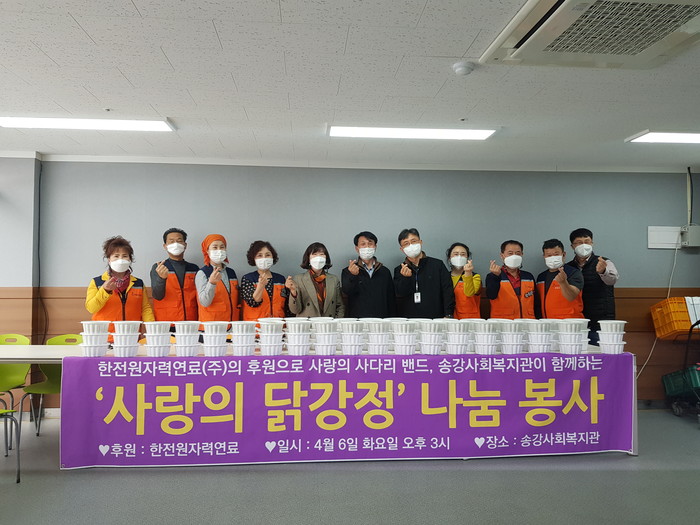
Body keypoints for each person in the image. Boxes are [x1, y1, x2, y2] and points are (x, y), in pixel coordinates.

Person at [85, 235, 154, 327]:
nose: (120, 260)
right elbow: (91, 308)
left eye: (124, 256)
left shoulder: (138, 283)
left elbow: (145, 308)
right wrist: (105, 290)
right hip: (105, 334)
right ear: (109, 259)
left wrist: (152, 327)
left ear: (130, 259)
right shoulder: (97, 282)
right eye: (116, 256)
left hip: (132, 333)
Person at [566, 227, 619, 344]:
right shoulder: (568, 267)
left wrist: (603, 271)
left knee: (600, 351)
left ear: (592, 243)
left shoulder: (604, 262)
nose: (583, 245)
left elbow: (612, 280)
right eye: (579, 242)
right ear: (572, 246)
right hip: (577, 320)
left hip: (601, 320)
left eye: (587, 241)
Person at [393, 228, 454, 318]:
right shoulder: (399, 269)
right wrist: (406, 278)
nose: (411, 245)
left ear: (420, 242)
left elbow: (447, 291)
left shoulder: (437, 265)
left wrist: (448, 314)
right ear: (402, 249)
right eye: (406, 243)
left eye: (414, 241)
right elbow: (400, 294)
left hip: (435, 317)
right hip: (409, 319)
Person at [341, 231, 396, 318]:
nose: (367, 247)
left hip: (381, 320)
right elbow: (347, 291)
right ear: (357, 248)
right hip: (358, 320)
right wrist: (353, 275)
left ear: (375, 247)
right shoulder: (347, 271)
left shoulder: (385, 271)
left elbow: (391, 300)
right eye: (363, 244)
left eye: (370, 244)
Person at [149, 228, 199, 323]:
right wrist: (161, 279)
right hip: (167, 322)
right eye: (171, 241)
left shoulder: (194, 268)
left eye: (179, 241)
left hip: (191, 321)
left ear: (185, 245)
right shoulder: (159, 267)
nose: (175, 244)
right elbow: (157, 295)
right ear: (165, 246)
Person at [287, 242, 344, 318]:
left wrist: (336, 322)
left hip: (328, 323)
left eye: (322, 254)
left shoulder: (334, 279)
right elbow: (295, 310)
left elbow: (340, 306)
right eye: (314, 254)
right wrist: (293, 292)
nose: (318, 258)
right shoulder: (298, 279)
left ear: (326, 258)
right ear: (308, 258)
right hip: (307, 324)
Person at [485, 240, 536, 319]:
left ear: (522, 255)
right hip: (503, 322)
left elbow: (536, 302)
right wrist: (495, 276)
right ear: (502, 255)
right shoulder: (493, 276)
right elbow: (491, 295)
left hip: (527, 322)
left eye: (518, 253)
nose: (514, 257)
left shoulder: (528, 277)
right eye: (510, 253)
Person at [195, 234, 239, 322]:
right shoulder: (202, 273)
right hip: (212, 325)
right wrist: (211, 283)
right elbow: (204, 302)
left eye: (222, 247)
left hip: (232, 325)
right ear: (207, 250)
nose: (219, 250)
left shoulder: (231, 272)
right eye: (215, 247)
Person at [535, 238, 584, 319]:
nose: (552, 258)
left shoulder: (573, 273)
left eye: (556, 254)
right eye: (549, 255)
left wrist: (563, 282)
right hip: (547, 322)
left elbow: (571, 296)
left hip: (570, 323)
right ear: (544, 256)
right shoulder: (541, 277)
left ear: (563, 254)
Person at [239, 240, 288, 321]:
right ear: (254, 258)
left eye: (267, 255)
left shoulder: (280, 279)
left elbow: (287, 306)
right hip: (256, 326)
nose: (264, 258)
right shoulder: (248, 278)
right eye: (260, 255)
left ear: (273, 257)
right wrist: (260, 286)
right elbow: (253, 302)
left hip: (278, 325)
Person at [446, 242, 481, 319]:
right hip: (450, 319)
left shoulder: (475, 277)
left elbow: (469, 293)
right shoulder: (444, 276)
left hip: (470, 319)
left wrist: (468, 273)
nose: (459, 257)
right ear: (449, 258)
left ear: (467, 258)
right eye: (456, 254)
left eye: (463, 254)